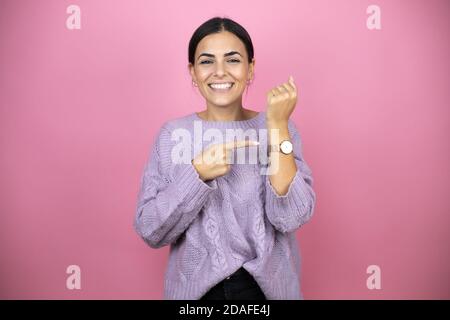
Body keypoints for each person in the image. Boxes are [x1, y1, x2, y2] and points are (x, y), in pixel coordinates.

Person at [134, 16, 316, 300]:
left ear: (250, 68)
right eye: (206, 62)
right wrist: (197, 173)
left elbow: (290, 217)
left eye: (232, 60)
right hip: (198, 295)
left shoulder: (282, 127)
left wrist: (278, 125)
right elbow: (151, 230)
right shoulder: (173, 134)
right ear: (193, 72)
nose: (220, 71)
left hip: (267, 293)